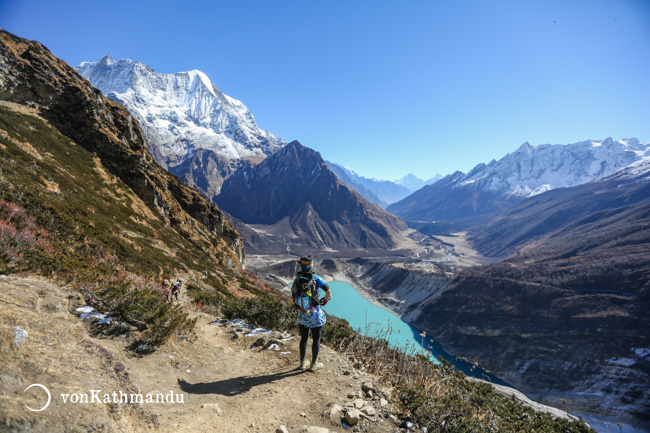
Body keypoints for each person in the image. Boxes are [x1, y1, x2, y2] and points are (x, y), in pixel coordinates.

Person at [291, 255, 332, 371]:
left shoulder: (297, 279)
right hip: (314, 313)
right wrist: (326, 300)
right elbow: (328, 290)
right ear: (311, 265)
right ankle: (314, 363)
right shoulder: (316, 279)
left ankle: (302, 363)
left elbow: (293, 292)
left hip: (302, 313)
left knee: (303, 338)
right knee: (316, 339)